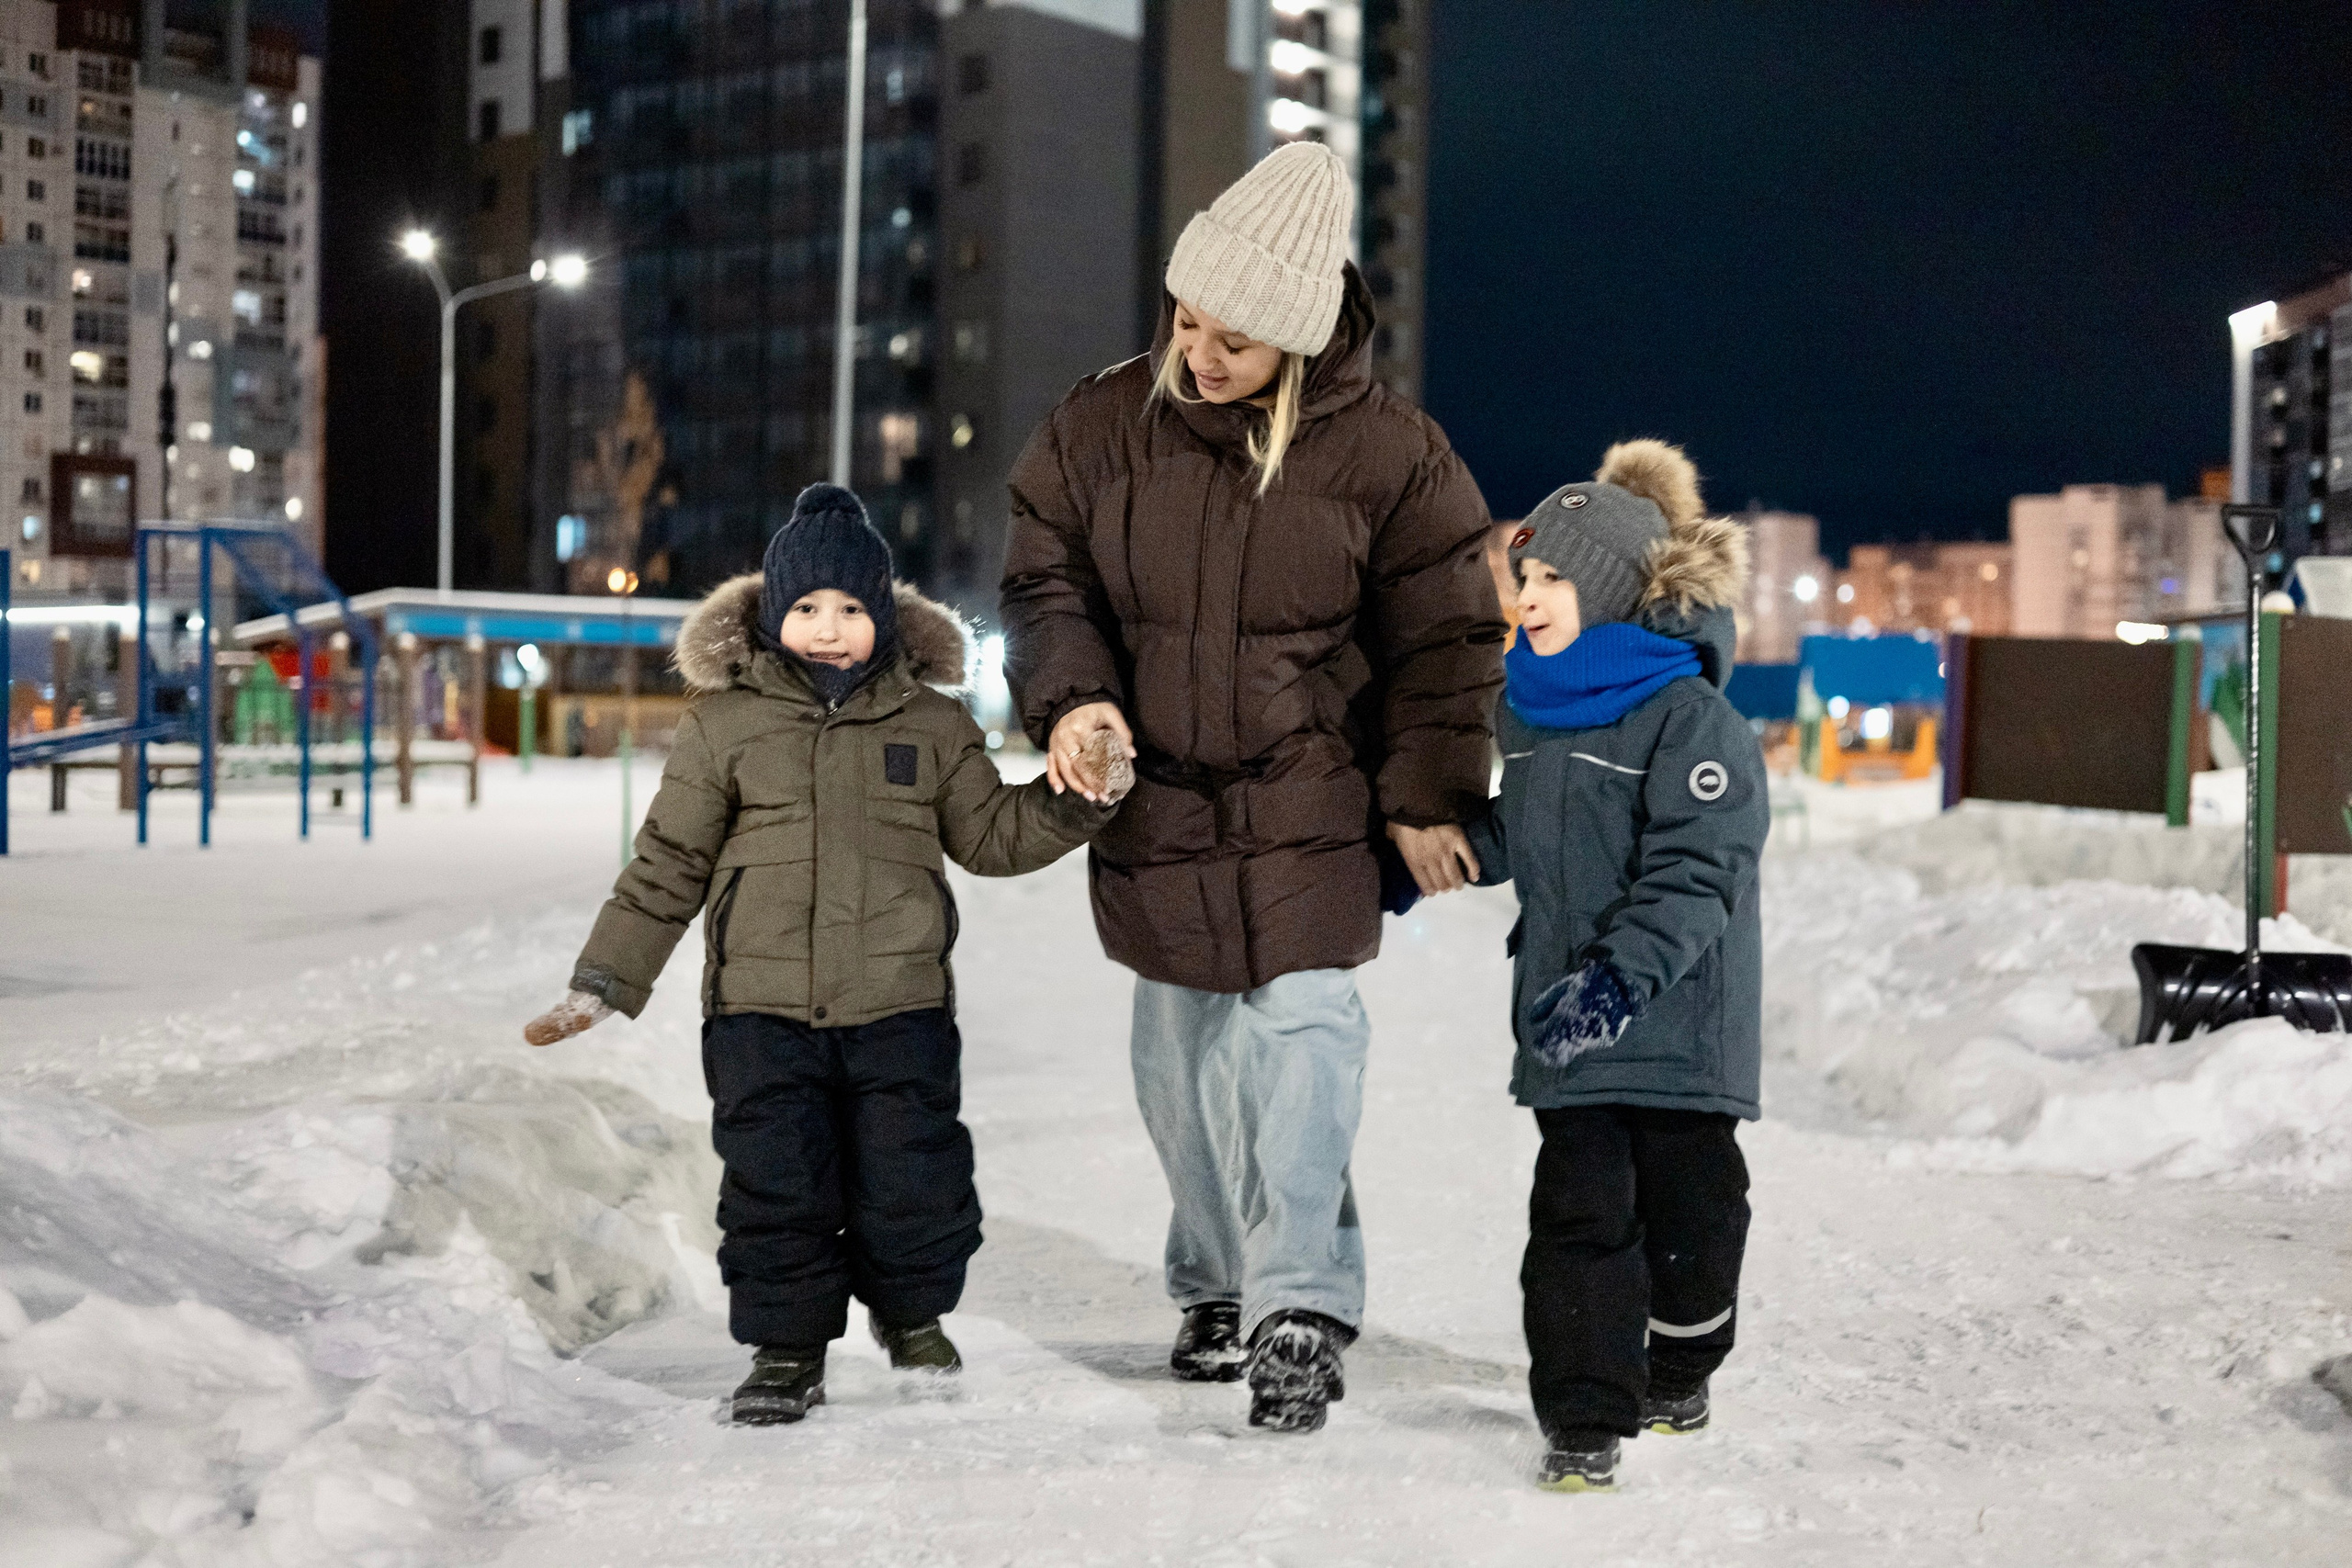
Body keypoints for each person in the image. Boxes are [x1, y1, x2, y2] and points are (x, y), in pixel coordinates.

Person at [1000, 142, 1505, 1432]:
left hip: (1310, 798)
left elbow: (1448, 640)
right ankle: (1216, 1280)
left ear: (1300, 333)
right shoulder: (1103, 422)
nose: (1200, 353)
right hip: (1156, 798)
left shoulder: (1395, 454)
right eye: (1186, 320)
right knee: (1184, 1069)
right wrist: (1078, 699)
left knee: (1304, 1043)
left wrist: (1426, 793)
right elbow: (1045, 575)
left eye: (1234, 335)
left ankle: (1301, 1304)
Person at [523, 483, 1126, 1426]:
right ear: (771, 615)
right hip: (760, 1013)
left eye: (850, 608)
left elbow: (993, 836)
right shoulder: (723, 725)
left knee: (913, 1174)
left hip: (900, 1005)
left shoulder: (929, 725)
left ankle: (912, 1315)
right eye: (807, 608)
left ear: (884, 616)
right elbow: (669, 863)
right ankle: (786, 1350)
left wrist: (1080, 798)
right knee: (778, 1185)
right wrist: (604, 981)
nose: (830, 627)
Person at [1462, 440, 1767, 1492]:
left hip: (1676, 1024)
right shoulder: (1531, 713)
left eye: (1554, 580)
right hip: (1568, 1019)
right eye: (1525, 577)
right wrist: (1450, 848)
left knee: (1693, 1210)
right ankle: (1586, 1414)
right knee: (1579, 1214)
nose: (1532, 598)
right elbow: (1532, 831)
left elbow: (1699, 869)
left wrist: (1620, 981)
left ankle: (1682, 1357)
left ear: (1609, 589)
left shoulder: (1691, 718)